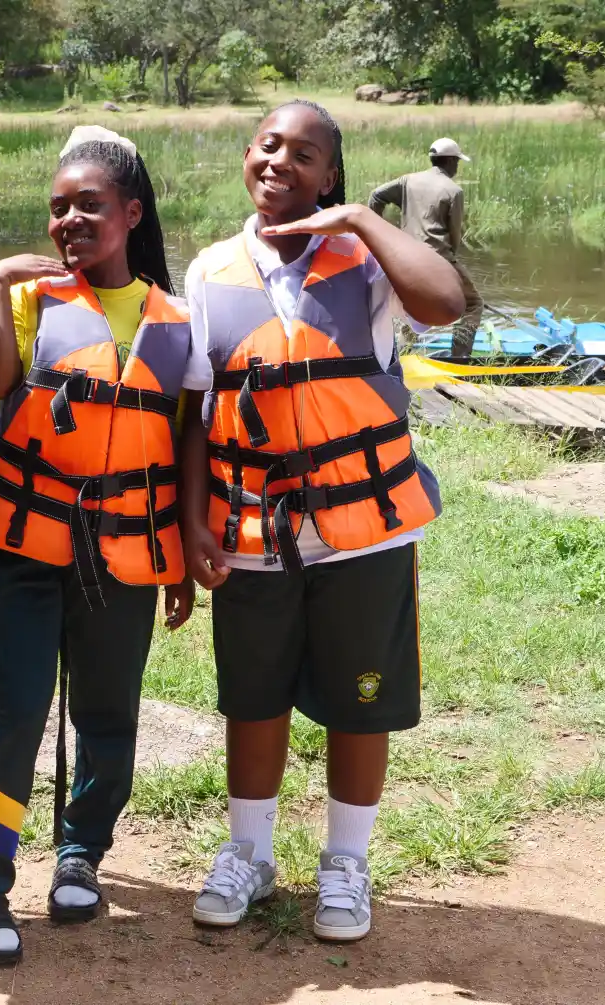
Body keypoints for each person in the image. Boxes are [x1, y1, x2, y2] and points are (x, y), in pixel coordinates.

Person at [181, 101, 463, 942]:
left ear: (331, 175)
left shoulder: (368, 266)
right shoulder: (208, 272)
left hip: (365, 529)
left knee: (359, 704)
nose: (283, 164)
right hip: (253, 530)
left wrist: (362, 222)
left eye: (306, 155)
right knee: (254, 698)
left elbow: (446, 301)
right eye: (270, 146)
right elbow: (196, 412)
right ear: (246, 154)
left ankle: (346, 862)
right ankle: (250, 852)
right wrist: (196, 520)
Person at [0, 126, 205, 966]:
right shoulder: (30, 302)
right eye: (58, 207)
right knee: (16, 707)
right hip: (21, 547)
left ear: (131, 213)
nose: (69, 220)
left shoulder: (176, 323)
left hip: (126, 556)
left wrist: (180, 557)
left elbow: (179, 449)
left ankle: (80, 853)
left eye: (89, 206)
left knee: (106, 713)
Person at [368, 138, 483, 357]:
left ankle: (402, 354)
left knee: (414, 303)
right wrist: (451, 266)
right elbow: (455, 236)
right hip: (437, 259)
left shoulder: (408, 180)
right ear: (449, 161)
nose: (457, 166)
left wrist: (379, 231)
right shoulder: (454, 191)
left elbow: (376, 196)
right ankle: (459, 359)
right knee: (473, 304)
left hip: (406, 259)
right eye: (457, 161)